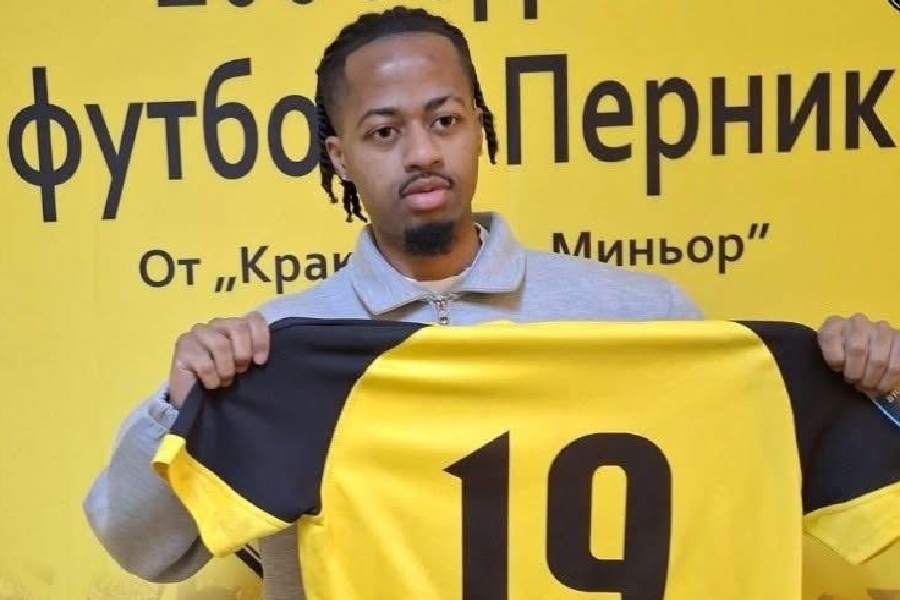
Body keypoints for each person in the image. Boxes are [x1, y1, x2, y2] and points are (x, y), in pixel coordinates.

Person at [84, 7, 900, 600]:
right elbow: (141, 547)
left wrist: (879, 392)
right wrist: (180, 405)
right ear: (339, 156)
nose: (423, 152)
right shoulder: (281, 347)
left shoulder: (646, 318)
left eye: (445, 119)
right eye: (384, 132)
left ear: (480, 124)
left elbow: (816, 494)